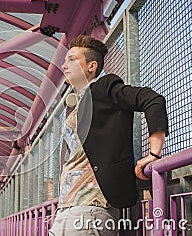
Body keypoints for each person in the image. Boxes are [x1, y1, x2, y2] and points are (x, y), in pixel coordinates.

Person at [49, 35, 169, 235]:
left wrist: (154, 154)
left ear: (91, 66)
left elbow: (152, 99)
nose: (64, 65)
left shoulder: (104, 88)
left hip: (90, 210)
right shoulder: (75, 105)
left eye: (72, 60)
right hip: (65, 208)